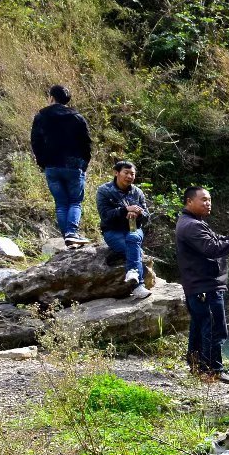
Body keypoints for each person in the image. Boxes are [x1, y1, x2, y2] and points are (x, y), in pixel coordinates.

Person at [174, 186, 229, 379]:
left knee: (200, 326)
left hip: (199, 285)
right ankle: (212, 370)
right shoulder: (192, 225)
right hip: (205, 286)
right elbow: (212, 248)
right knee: (214, 328)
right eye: (203, 199)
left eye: (209, 199)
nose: (208, 203)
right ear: (189, 201)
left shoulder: (194, 222)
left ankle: (197, 366)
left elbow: (217, 240)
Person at [29, 84, 92, 239]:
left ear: (51, 98)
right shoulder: (77, 117)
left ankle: (68, 237)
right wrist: (84, 163)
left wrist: (42, 162)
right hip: (74, 165)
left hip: (51, 165)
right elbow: (86, 143)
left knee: (61, 203)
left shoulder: (41, 116)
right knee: (75, 202)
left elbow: (35, 142)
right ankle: (72, 233)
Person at [96, 160, 152, 300]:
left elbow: (147, 217)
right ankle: (137, 283)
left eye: (132, 174)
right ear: (116, 173)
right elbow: (105, 215)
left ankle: (136, 282)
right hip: (113, 231)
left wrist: (139, 213)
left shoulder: (137, 192)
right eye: (126, 173)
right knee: (134, 250)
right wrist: (125, 210)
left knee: (133, 239)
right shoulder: (104, 190)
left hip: (134, 228)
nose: (129, 176)